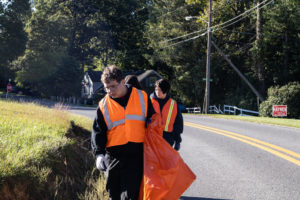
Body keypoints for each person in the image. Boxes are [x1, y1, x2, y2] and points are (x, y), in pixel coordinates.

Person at [91, 65, 155, 200]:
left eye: (113, 86)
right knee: (113, 194)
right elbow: (98, 131)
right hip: (113, 156)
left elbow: (153, 122)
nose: (109, 91)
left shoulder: (141, 97)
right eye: (106, 88)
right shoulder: (103, 105)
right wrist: (99, 154)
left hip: (136, 154)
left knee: (130, 195)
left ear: (122, 82)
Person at [150, 79, 183, 151]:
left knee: (166, 162)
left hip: (168, 138)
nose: (157, 92)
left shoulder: (173, 104)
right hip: (152, 137)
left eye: (160, 90)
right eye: (156, 89)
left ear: (165, 90)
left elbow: (178, 123)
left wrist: (178, 141)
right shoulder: (149, 101)